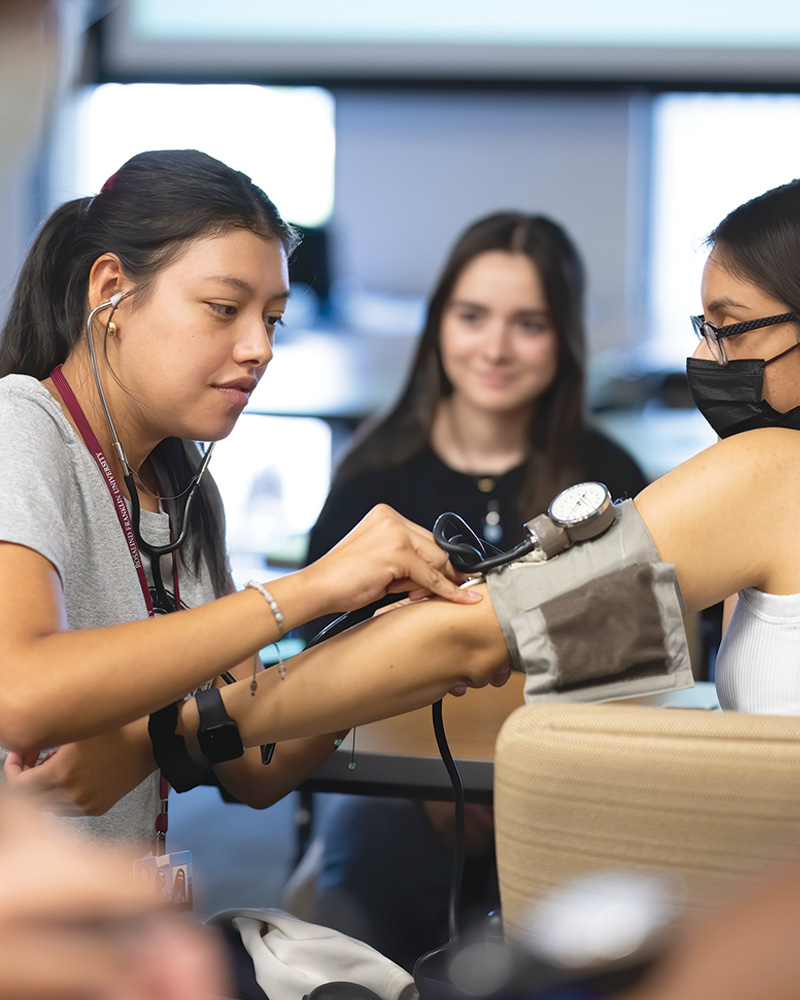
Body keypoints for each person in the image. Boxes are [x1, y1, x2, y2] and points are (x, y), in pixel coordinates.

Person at [0, 148, 510, 854]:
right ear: (111, 290)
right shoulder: (22, 423)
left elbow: (256, 770)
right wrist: (309, 589)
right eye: (224, 309)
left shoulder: (181, 490)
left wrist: (386, 637)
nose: (259, 348)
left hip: (121, 913)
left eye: (272, 320)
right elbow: (22, 694)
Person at [297, 212, 647, 969]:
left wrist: (527, 777)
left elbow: (637, 663)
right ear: (438, 326)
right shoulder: (370, 480)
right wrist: (428, 782)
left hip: (565, 775)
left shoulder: (611, 482)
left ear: (565, 338)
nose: (495, 348)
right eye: (472, 316)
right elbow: (317, 657)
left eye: (529, 324)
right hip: (396, 788)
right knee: (365, 895)